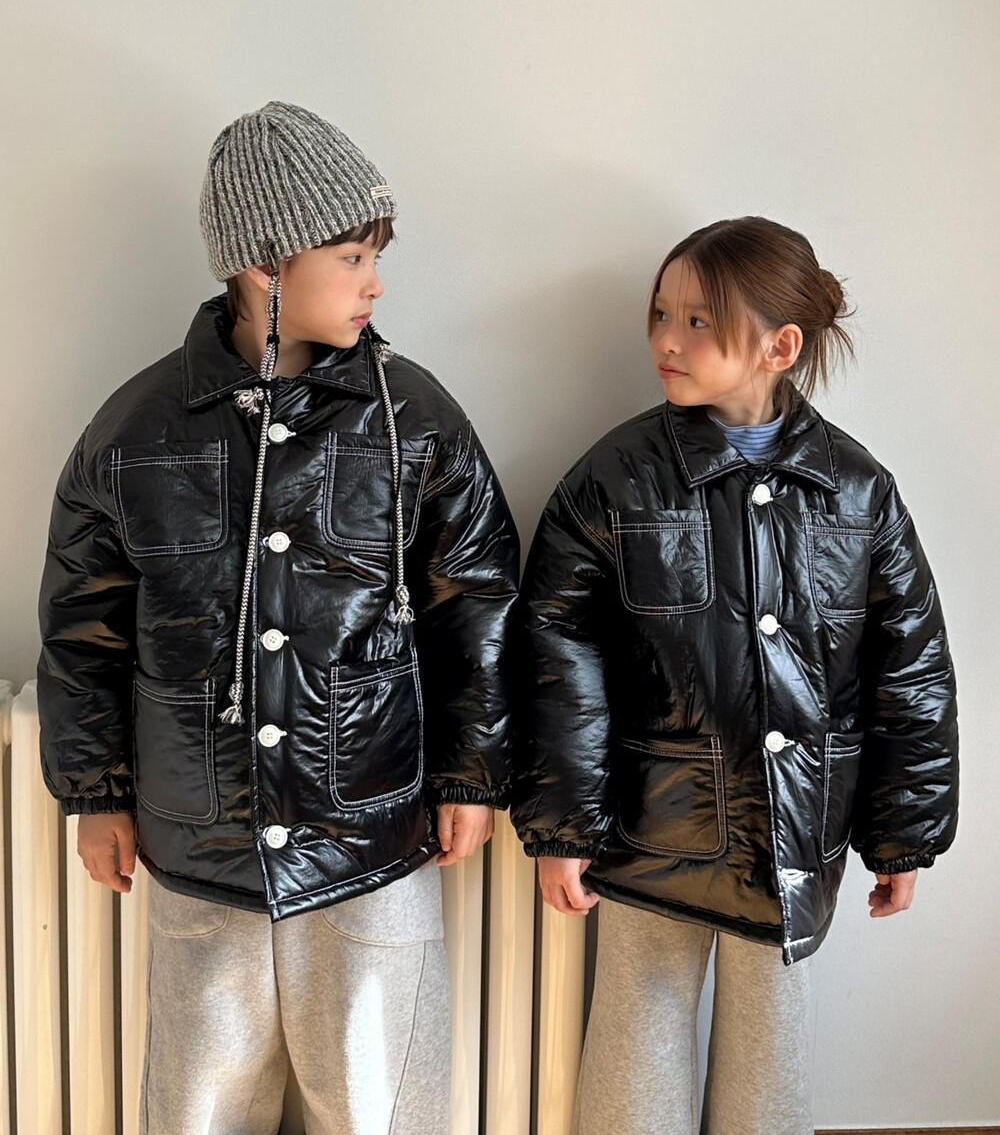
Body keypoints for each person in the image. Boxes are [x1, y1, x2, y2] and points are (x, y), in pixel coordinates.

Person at [36, 99, 519, 1135]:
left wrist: (472, 772)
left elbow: (473, 600)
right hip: (198, 836)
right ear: (264, 265)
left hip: (370, 828)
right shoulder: (136, 431)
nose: (375, 282)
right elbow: (83, 628)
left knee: (381, 1098)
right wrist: (96, 793)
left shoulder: (415, 419)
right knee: (199, 1103)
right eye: (351, 256)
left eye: (375, 256)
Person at [511, 216, 958, 1135]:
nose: (667, 340)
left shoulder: (856, 490)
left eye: (699, 321)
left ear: (779, 347)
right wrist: (563, 825)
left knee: (770, 1045)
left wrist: (903, 837)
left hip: (796, 825)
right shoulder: (616, 479)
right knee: (638, 1026)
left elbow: (910, 667)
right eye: (660, 314)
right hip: (651, 821)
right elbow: (558, 656)